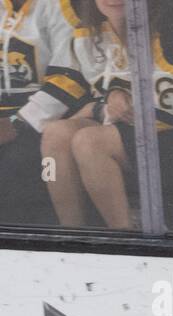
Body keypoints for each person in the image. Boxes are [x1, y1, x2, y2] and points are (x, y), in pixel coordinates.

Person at [16, 0, 173, 231]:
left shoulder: (171, 26)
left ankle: (123, 237)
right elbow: (69, 86)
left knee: (89, 141)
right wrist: (20, 122)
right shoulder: (88, 32)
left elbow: (168, 113)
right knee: (55, 133)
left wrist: (98, 109)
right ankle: (73, 233)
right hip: (130, 128)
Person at [0, 0, 79, 224]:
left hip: (41, 122)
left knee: (22, 169)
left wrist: (17, 122)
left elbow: (71, 78)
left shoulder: (61, 7)